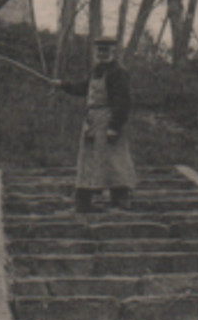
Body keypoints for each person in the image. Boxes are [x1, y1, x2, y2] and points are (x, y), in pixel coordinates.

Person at [51, 37, 138, 213]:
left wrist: (114, 127)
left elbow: (123, 102)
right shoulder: (96, 71)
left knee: (115, 160)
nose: (102, 54)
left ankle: (121, 201)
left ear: (114, 52)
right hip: (92, 121)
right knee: (88, 160)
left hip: (109, 120)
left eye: (106, 51)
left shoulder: (118, 73)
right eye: (99, 50)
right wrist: (62, 85)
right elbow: (84, 88)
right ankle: (84, 202)